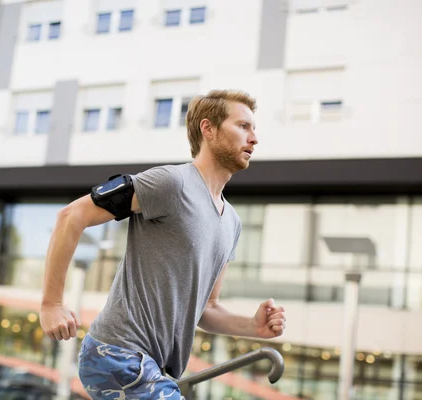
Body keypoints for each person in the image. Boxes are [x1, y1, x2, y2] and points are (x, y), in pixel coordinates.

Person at [39, 89, 287, 399]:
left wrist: (253, 327)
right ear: (208, 129)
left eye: (254, 128)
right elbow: (70, 216)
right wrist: (51, 304)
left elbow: (206, 308)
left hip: (155, 368)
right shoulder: (171, 183)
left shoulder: (232, 222)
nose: (254, 138)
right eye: (243, 126)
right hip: (117, 354)